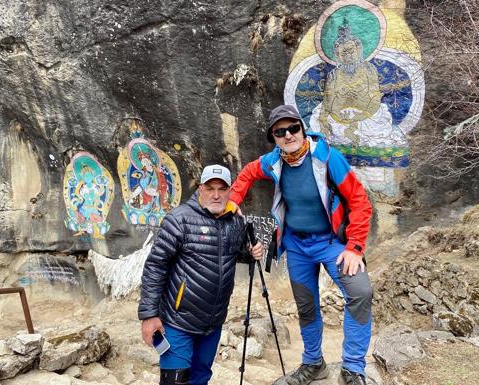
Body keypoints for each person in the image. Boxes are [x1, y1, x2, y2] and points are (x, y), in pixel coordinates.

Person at [229, 105, 373, 385]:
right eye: (280, 132)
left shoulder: (328, 158)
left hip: (332, 243)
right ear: (274, 138)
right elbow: (247, 172)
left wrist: (355, 247)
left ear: (302, 128)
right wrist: (234, 199)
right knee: (306, 306)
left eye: (293, 128)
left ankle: (353, 367)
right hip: (296, 245)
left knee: (360, 292)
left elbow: (359, 201)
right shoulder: (274, 162)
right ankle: (313, 363)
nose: (288, 135)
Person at [138, 164, 263, 385]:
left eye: (222, 189)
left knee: (200, 378)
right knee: (174, 381)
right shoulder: (179, 219)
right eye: (210, 188)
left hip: (213, 323)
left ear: (230, 191)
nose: (216, 195)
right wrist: (149, 316)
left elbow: (235, 253)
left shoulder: (235, 222)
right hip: (178, 321)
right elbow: (155, 267)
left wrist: (251, 251)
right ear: (200, 188)